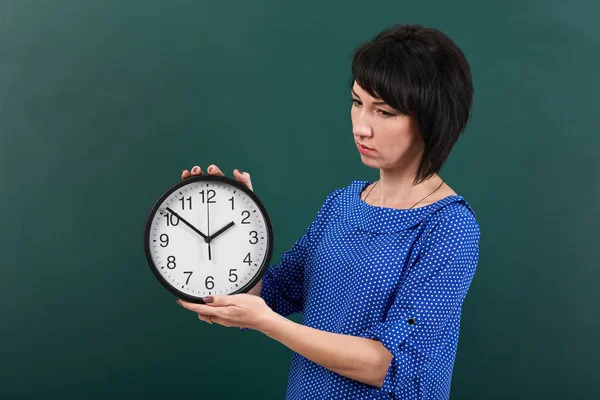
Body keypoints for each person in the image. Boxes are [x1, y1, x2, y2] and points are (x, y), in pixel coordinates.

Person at [176, 23, 480, 400]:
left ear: (432, 120)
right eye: (357, 103)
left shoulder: (448, 227)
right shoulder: (342, 204)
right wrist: (239, 224)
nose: (361, 127)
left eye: (384, 112)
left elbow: (388, 365)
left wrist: (268, 325)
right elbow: (272, 295)